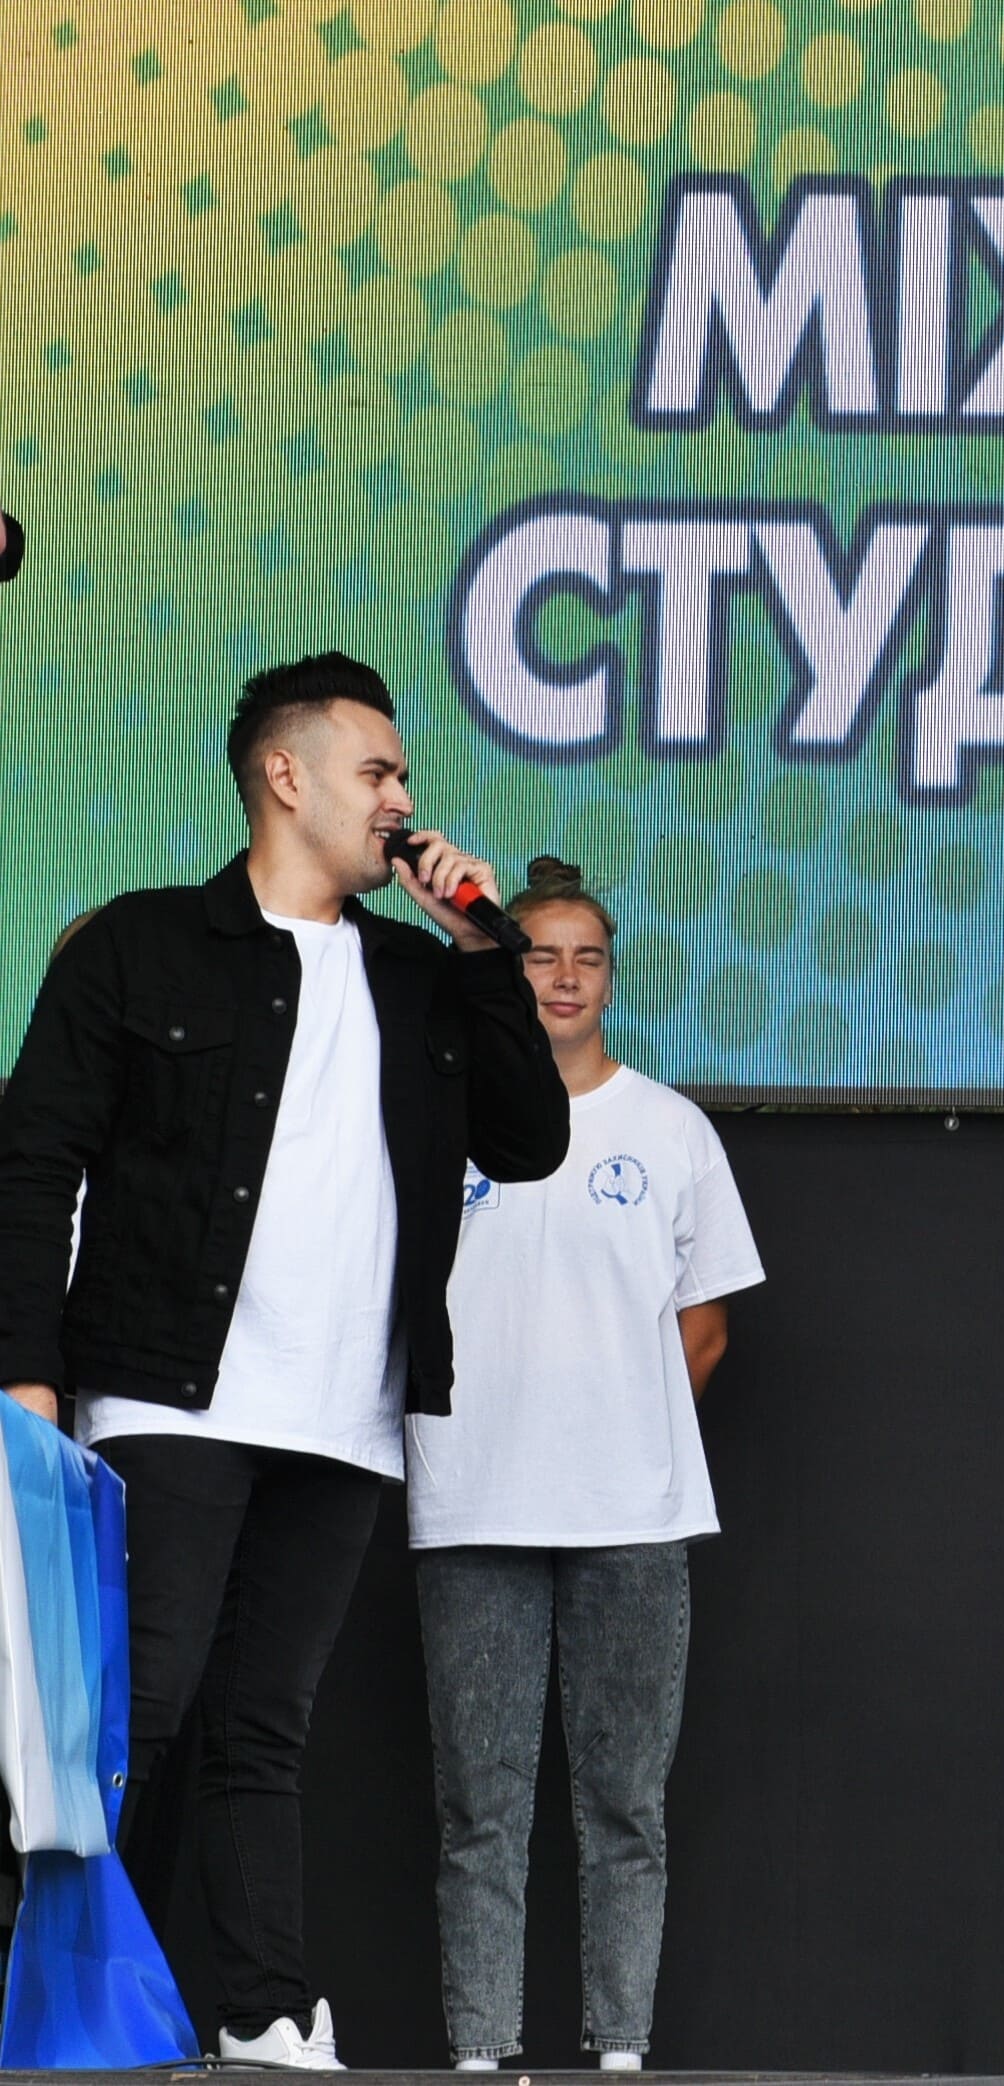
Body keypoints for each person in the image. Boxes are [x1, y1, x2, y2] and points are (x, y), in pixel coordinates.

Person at [0, 653, 568, 2069]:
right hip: (166, 1389)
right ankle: (47, 1999)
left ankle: (264, 2011)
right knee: (131, 1710)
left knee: (265, 1724)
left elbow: (529, 1141)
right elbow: (33, 1160)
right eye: (379, 771)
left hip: (345, 1413)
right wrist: (26, 1370)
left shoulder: (421, 975)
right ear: (286, 774)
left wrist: (485, 952)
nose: (402, 799)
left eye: (404, 777)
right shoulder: (142, 944)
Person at [412, 858, 765, 2073]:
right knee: (480, 1809)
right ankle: (479, 2051)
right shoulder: (446, 1118)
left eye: (586, 957)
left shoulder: (670, 1128)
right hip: (472, 1502)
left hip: (633, 1516)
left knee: (625, 1805)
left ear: (610, 978)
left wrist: (628, 1433)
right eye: (538, 956)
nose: (563, 978)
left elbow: (705, 1328)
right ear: (504, 973)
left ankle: (621, 2051)